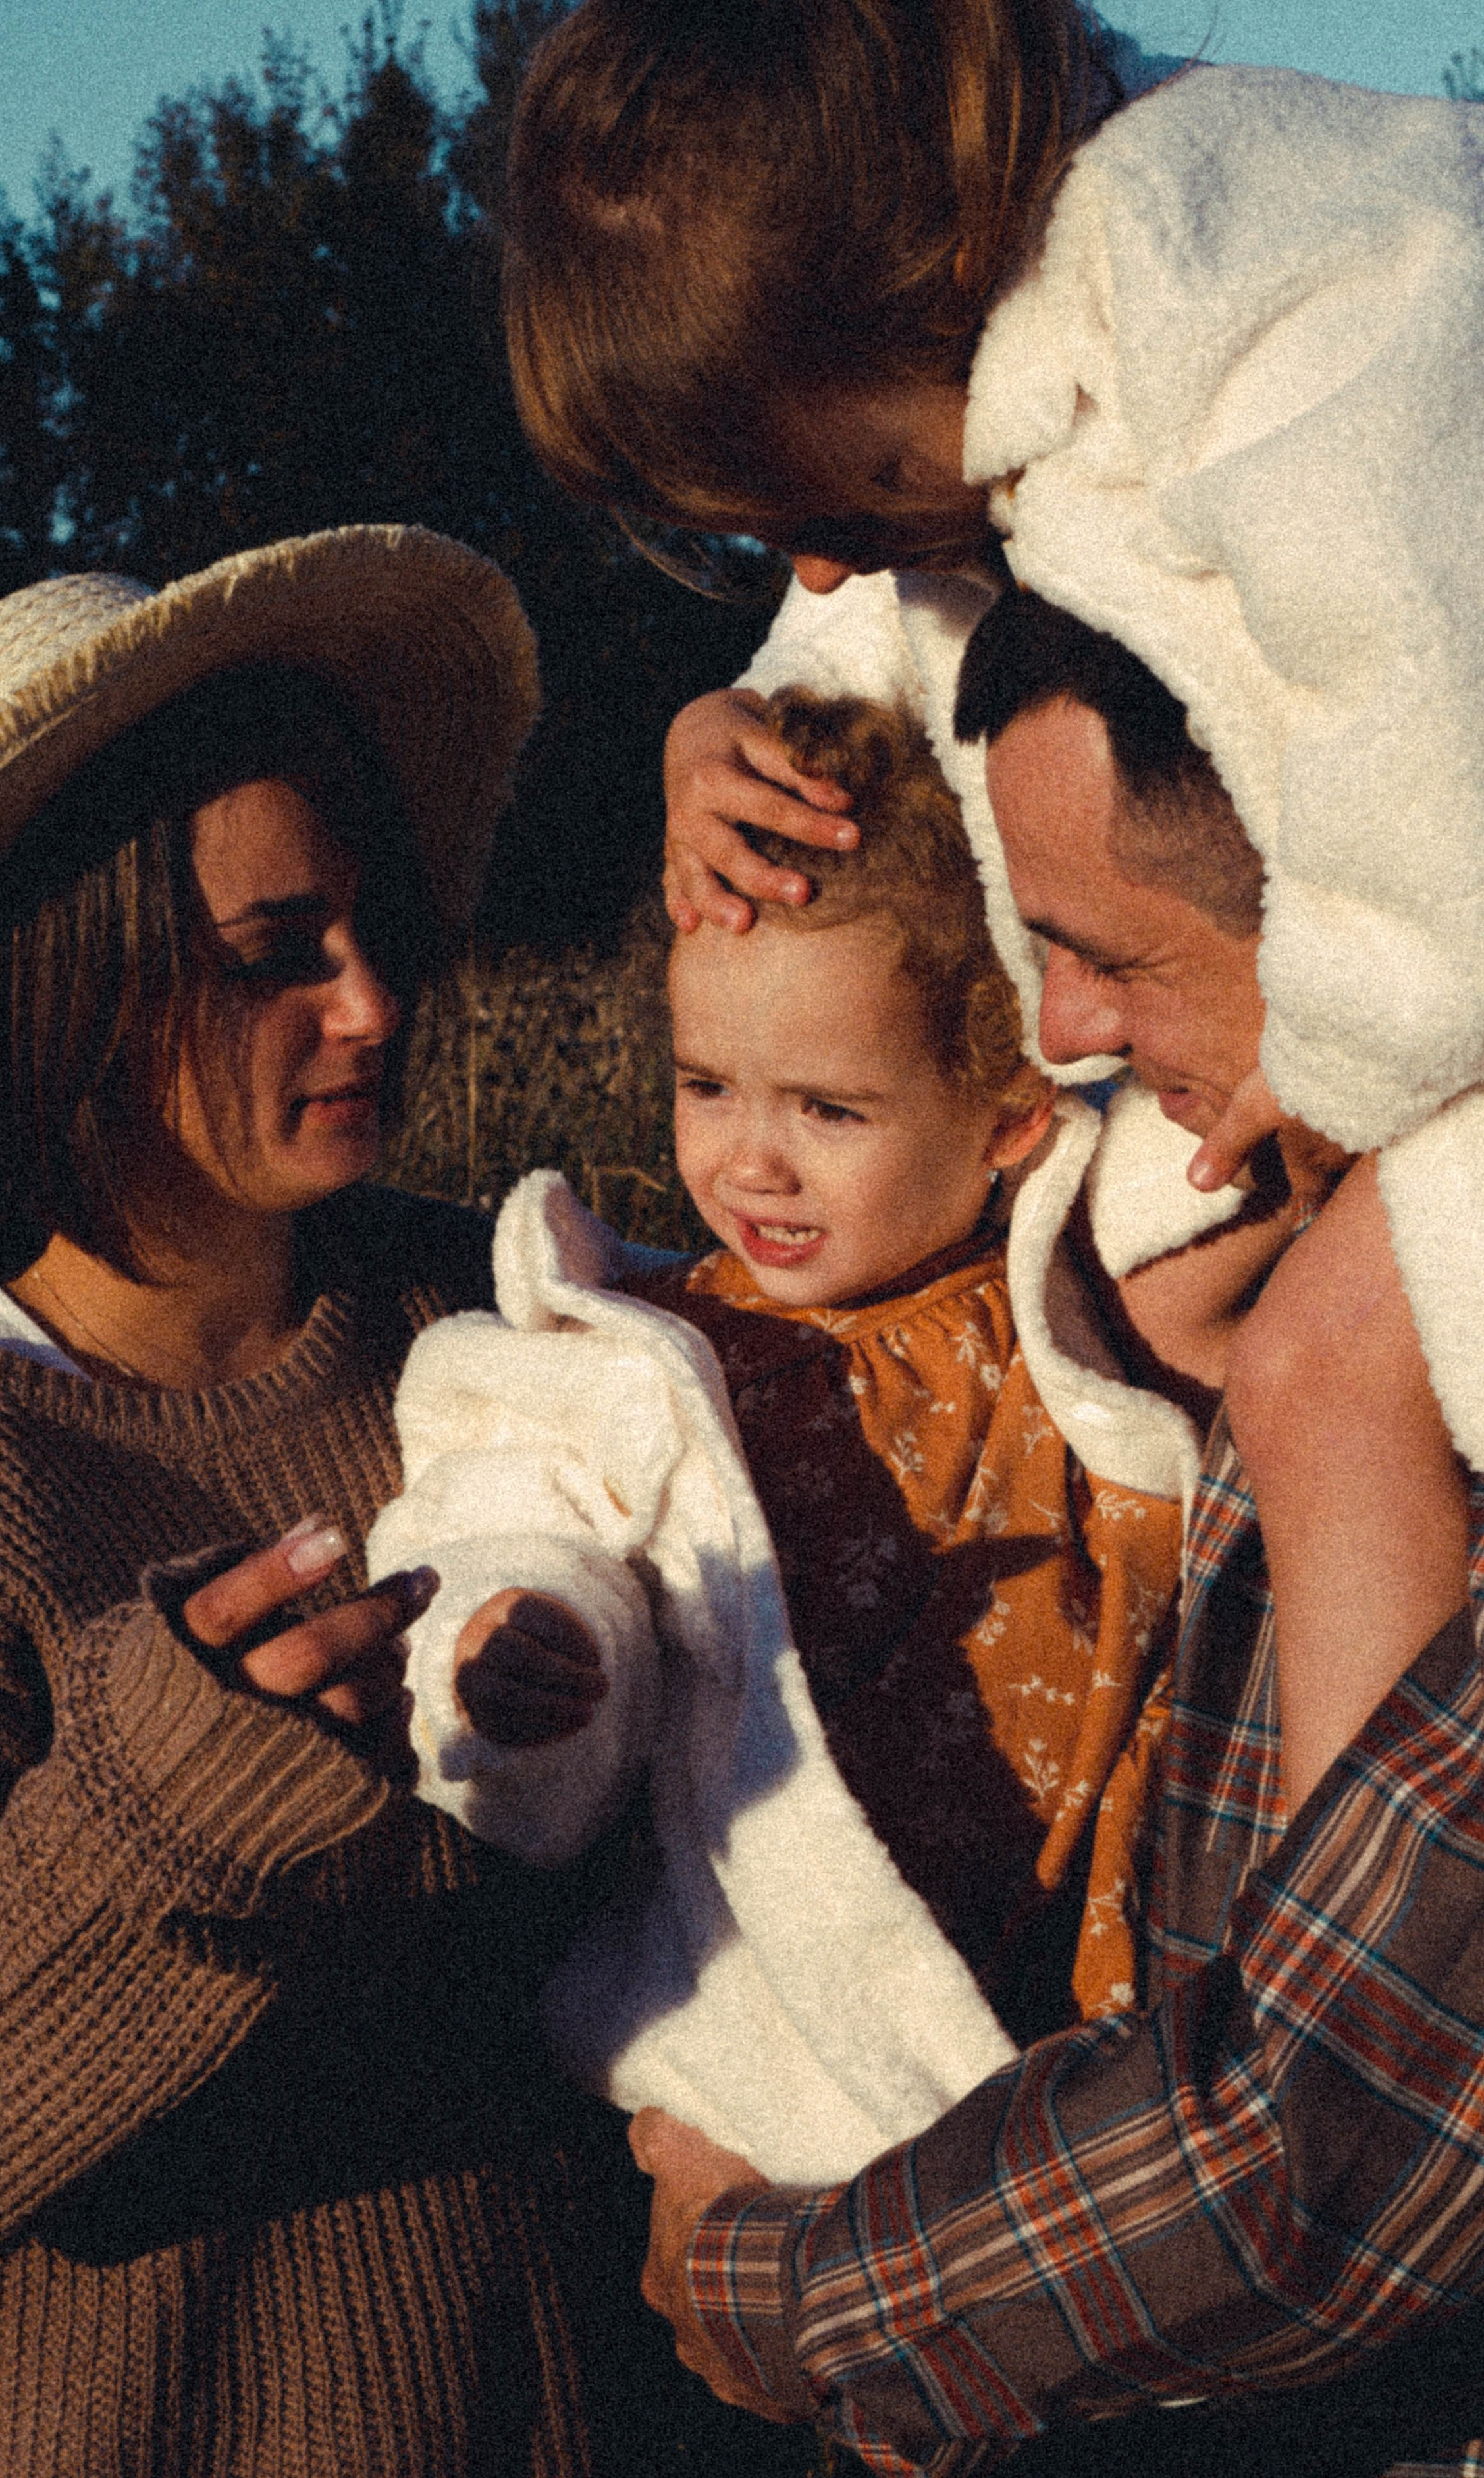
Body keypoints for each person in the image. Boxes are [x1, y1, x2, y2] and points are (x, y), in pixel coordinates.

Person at [0, 527, 799, 2478]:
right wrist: (162, 1811)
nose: (372, 1005)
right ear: (63, 993)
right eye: (274, 962)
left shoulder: (503, 1315)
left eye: (373, 931)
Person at [627, 593, 1484, 2478]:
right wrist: (722, 719)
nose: (1071, 1028)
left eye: (1114, 960)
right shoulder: (1300, 1269)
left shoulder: (1366, 1319)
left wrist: (779, 2283)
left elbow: (1315, 2142)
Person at [369, 683, 1204, 2192]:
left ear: (1012, 1113)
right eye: (704, 1086)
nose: (746, 1159)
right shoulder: (656, 1347)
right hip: (795, 2022)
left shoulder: (1074, 1293)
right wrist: (524, 1642)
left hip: (1084, 1979)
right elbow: (515, 1510)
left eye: (828, 1108)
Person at [503, 0, 1484, 1212]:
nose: (817, 569)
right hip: (1350, 1007)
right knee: (1157, 1287)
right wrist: (748, 721)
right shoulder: (972, 374)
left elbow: (1434, 679)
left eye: (848, 507)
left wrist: (1351, 1049)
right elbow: (878, 606)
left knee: (1317, 1367)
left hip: (1428, 984)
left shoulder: (1264, 276)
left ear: (947, 274)